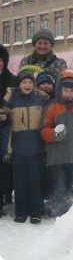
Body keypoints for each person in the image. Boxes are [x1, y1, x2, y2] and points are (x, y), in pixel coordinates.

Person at [40, 73, 73, 217]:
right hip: (57, 156)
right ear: (59, 91)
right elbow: (44, 129)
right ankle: (60, 211)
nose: (68, 94)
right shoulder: (52, 108)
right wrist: (53, 135)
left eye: (71, 91)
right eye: (65, 91)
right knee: (60, 183)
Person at [3, 71, 48, 223]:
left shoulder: (40, 100)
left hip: (36, 148)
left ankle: (35, 212)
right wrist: (8, 148)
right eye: (24, 82)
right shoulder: (12, 101)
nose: (27, 85)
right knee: (20, 182)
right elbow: (7, 128)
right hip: (18, 148)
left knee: (35, 181)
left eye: (30, 82)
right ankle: (21, 212)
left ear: (33, 85)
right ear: (19, 85)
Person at [0, 44, 15, 213]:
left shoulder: (10, 79)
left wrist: (5, 111)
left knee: (3, 165)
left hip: (5, 129)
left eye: (1, 60)